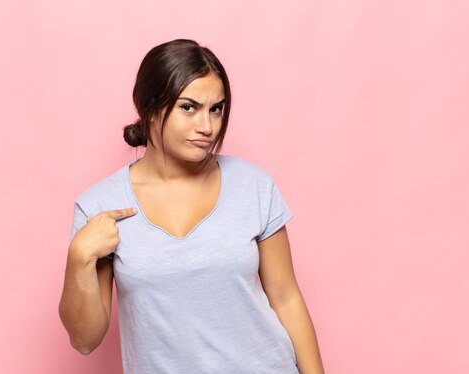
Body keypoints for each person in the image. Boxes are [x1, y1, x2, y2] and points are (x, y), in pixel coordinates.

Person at [59, 39, 325, 374]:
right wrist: (79, 256)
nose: (208, 127)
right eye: (189, 107)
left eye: (216, 108)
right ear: (151, 108)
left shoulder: (253, 185)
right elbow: (85, 340)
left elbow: (286, 297)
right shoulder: (100, 206)